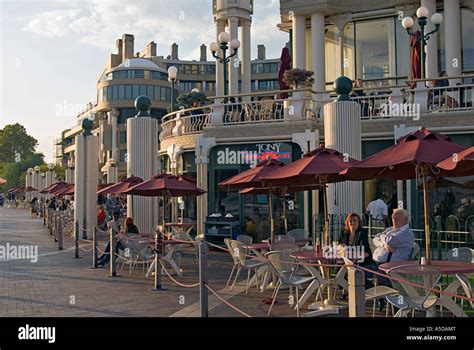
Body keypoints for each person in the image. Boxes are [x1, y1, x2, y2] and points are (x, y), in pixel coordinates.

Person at [370, 208, 414, 310]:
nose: (394, 220)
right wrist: (384, 244)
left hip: (393, 267)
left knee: (377, 275)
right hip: (378, 263)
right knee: (358, 271)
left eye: (397, 218)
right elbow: (375, 239)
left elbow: (391, 240)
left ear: (405, 220)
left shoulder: (407, 233)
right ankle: (382, 298)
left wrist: (383, 238)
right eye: (393, 218)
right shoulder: (390, 229)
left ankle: (390, 300)